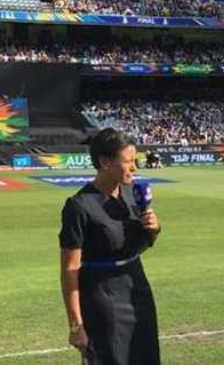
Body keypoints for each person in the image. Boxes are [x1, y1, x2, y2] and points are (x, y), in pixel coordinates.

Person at [59, 128, 162, 365]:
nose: (134, 167)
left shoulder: (132, 193)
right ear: (105, 162)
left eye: (135, 160)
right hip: (103, 300)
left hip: (138, 290)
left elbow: (139, 245)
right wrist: (76, 324)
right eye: (128, 161)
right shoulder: (78, 206)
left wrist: (154, 229)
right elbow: (69, 270)